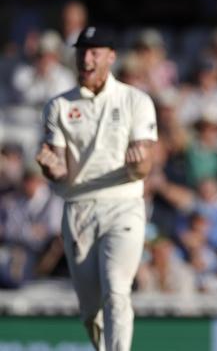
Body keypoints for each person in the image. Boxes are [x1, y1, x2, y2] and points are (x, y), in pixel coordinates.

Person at [35, 26, 158, 351]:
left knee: (117, 290)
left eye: (94, 52)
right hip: (79, 209)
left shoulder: (136, 100)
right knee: (91, 311)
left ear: (111, 56)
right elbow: (59, 170)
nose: (86, 59)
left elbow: (145, 166)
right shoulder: (59, 106)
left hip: (124, 204)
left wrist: (136, 165)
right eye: (81, 52)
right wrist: (50, 167)